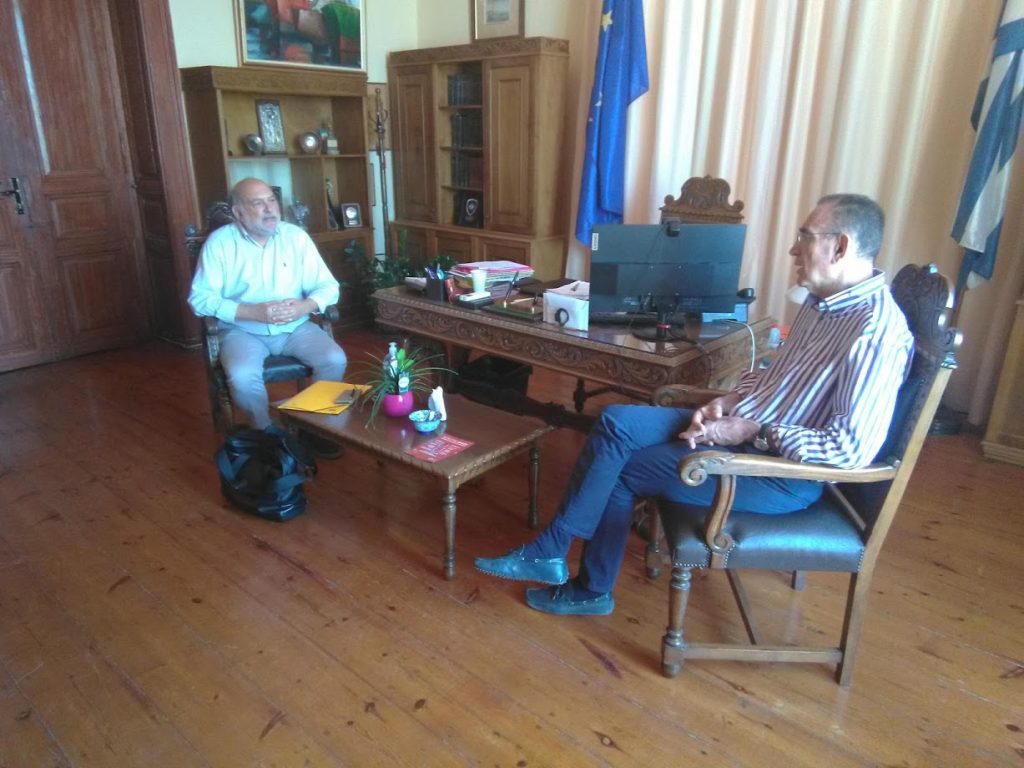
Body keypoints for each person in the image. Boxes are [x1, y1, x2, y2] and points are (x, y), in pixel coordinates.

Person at [475, 193, 914, 616]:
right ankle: (552, 550)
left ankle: (589, 590)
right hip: (745, 431)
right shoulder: (822, 304)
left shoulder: (876, 331)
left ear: (840, 246)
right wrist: (728, 401)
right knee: (616, 422)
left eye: (805, 236)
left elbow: (849, 450)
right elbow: (777, 381)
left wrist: (753, 430)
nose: (793, 249)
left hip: (779, 472)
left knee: (623, 469)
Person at [189, 177, 347, 438]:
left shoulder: (296, 237)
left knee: (334, 359)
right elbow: (200, 299)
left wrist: (305, 306)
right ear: (238, 212)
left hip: (296, 327)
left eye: (272, 200)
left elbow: (328, 286)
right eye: (258, 203)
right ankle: (265, 433)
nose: (270, 209)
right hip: (242, 331)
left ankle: (317, 427)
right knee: (242, 376)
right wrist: (252, 312)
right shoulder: (220, 243)